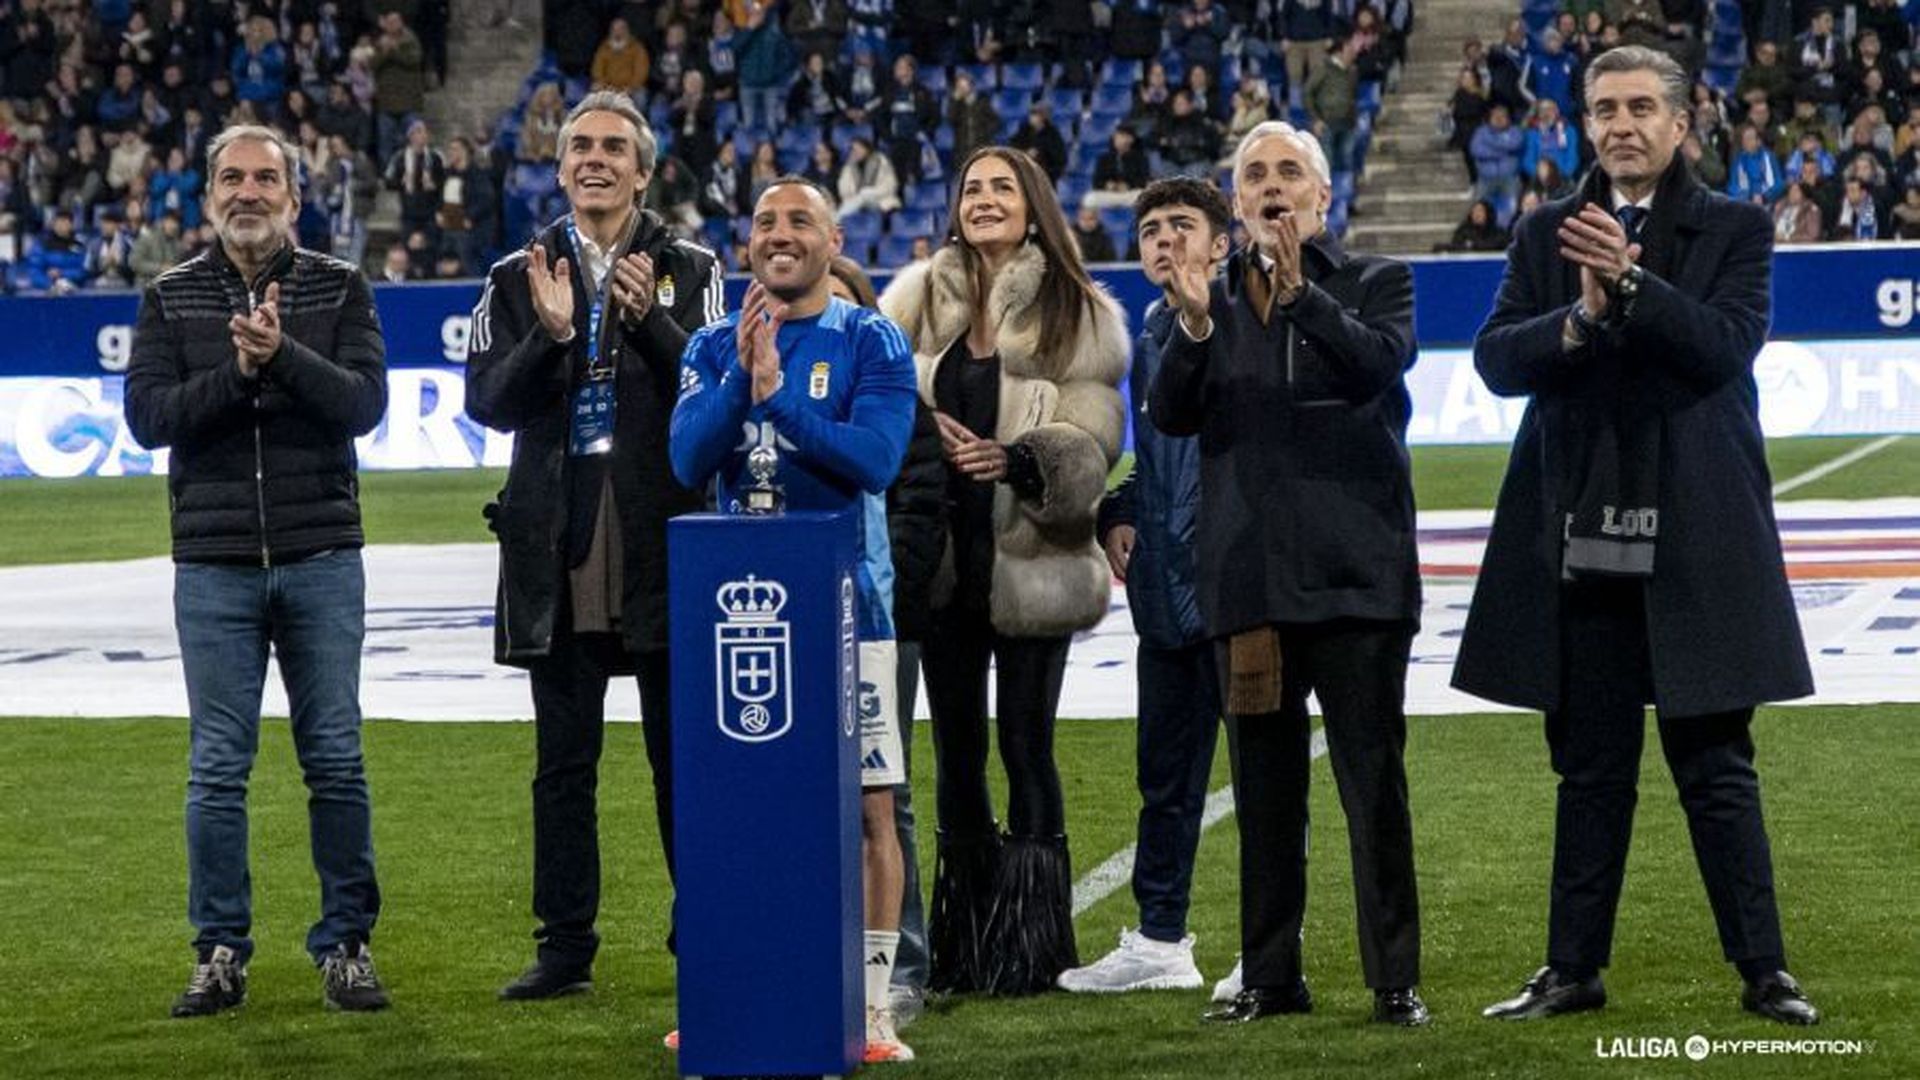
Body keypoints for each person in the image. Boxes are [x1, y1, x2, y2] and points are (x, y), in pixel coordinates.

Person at [1454, 46, 1820, 1027]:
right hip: (1578, 530)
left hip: (1695, 527)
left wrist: (1633, 288)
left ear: (1681, 120)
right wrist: (1573, 323)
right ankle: (1571, 971)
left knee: (1716, 766)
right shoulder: (1542, 232)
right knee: (1591, 767)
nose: (1619, 124)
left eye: (1639, 107)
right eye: (1603, 108)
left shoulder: (1736, 227)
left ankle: (1766, 972)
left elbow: (1726, 346)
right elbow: (1495, 359)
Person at [1150, 120, 1428, 1027]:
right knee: (1266, 794)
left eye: (1289, 172)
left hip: (1356, 580)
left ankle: (1394, 981)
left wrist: (1301, 291)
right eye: (1256, 175)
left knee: (1371, 788)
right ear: (1237, 205)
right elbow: (1171, 415)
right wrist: (1192, 327)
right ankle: (1272, 977)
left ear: (1322, 197)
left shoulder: (1378, 282)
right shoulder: (1206, 301)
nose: (1273, 185)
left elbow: (1379, 367)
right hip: (1252, 585)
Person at [124, 123, 390, 1017]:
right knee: (217, 769)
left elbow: (364, 405)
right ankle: (220, 949)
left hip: (321, 558)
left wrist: (283, 356)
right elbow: (150, 419)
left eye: (265, 178)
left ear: (294, 197)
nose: (248, 192)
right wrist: (240, 373)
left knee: (337, 761)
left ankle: (346, 944)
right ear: (208, 198)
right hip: (215, 565)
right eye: (232, 178)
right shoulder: (170, 297)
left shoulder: (340, 286)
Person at [463, 91, 724, 1002]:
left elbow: (717, 388)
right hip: (560, 540)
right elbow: (485, 402)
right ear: (560, 163)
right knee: (562, 764)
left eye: (616, 147)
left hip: (662, 537)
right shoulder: (514, 272)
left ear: (645, 171)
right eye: (581, 147)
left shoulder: (691, 265)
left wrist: (647, 317)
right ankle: (565, 948)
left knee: (679, 758)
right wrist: (555, 333)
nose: (595, 160)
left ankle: (705, 933)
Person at [668, 177, 919, 1063]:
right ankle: (734, 982)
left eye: (799, 221)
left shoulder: (873, 338)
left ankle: (874, 1003)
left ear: (832, 238)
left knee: (869, 811)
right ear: (747, 242)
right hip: (743, 618)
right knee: (736, 806)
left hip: (857, 610)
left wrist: (781, 402)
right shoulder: (709, 342)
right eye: (766, 221)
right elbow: (688, 455)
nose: (780, 233)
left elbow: (877, 460)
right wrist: (742, 376)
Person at [878, 146, 1128, 996]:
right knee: (954, 756)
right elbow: (875, 404)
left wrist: (1019, 458)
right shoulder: (913, 298)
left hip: (1033, 560)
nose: (984, 201)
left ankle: (1032, 947)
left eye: (1003, 189)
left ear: (1035, 208)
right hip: (940, 564)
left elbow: (1095, 446)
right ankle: (963, 944)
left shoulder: (1078, 310)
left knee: (1026, 746)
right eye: (972, 189)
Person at [1057, 177, 1238, 997]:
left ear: (1221, 244)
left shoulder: (1248, 318)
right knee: (1164, 780)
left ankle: (1274, 947)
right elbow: (1163, 458)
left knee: (1268, 782)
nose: (1165, 241)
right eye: (1153, 229)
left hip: (1240, 589)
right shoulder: (1155, 329)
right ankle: (1162, 941)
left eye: (1182, 226)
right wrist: (1119, 509)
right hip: (1167, 593)